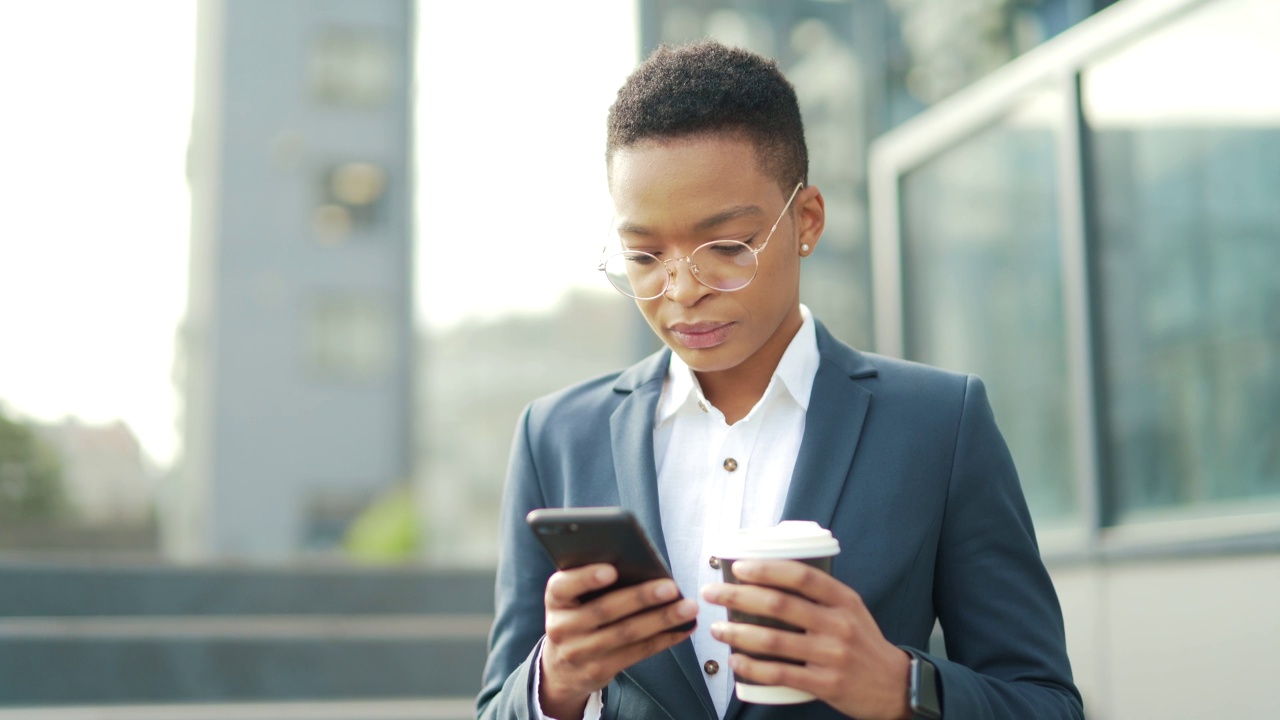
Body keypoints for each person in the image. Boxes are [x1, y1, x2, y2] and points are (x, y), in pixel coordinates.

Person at [477, 40, 1083, 720]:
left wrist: (899, 686)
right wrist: (553, 682)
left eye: (727, 248)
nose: (681, 290)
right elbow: (496, 706)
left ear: (807, 221)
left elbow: (1047, 704)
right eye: (644, 255)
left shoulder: (941, 424)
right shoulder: (556, 436)